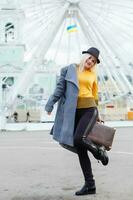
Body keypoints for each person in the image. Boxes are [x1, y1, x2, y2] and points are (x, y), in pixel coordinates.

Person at [45, 47, 109, 196]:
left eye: (94, 61)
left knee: (78, 139)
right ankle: (90, 185)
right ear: (84, 57)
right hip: (73, 112)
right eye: (90, 58)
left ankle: (99, 153)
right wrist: (50, 104)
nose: (91, 62)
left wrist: (97, 114)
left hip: (89, 109)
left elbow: (95, 95)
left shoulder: (93, 75)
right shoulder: (69, 70)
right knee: (80, 148)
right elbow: (59, 89)